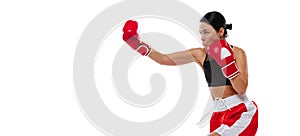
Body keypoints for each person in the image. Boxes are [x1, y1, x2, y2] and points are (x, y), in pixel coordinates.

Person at [122, 11, 258, 136]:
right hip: (218, 115)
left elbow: (241, 89)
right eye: (201, 33)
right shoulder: (200, 54)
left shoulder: (237, 53)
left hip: (239, 112)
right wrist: (137, 44)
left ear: (220, 31)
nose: (202, 38)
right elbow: (164, 59)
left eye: (206, 32)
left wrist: (226, 61)